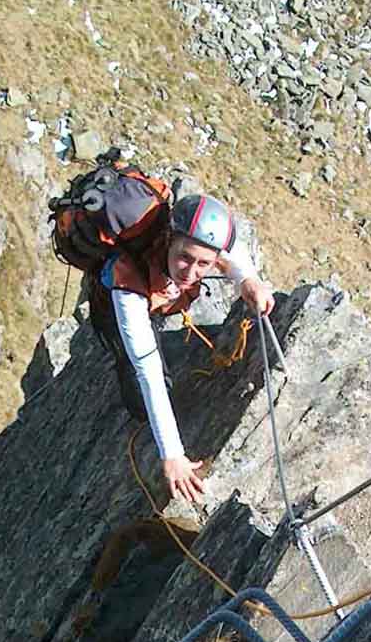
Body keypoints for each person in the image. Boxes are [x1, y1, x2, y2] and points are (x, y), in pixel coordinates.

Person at [89, 193, 275, 503]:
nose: (191, 271)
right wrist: (172, 454)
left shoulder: (193, 246)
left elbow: (229, 254)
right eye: (185, 258)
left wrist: (249, 280)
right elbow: (146, 367)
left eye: (204, 263)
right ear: (167, 240)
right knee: (141, 390)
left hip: (155, 289)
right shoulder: (128, 284)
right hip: (115, 304)